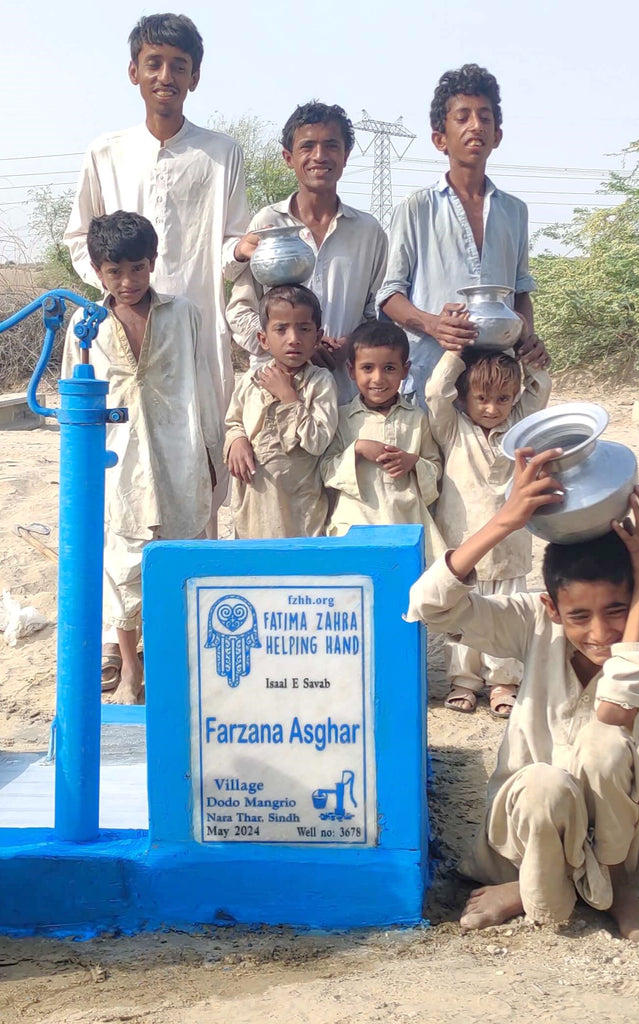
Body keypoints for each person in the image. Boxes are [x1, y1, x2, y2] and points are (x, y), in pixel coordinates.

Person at [407, 449, 639, 937]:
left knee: (604, 746)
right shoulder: (533, 623)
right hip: (526, 823)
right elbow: (429, 606)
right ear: (553, 608)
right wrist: (504, 521)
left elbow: (616, 714)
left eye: (619, 610)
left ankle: (595, 891)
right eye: (580, 616)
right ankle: (533, 881)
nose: (600, 632)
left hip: (614, 845)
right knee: (544, 781)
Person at [63, 13, 250, 543]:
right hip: (121, 335)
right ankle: (123, 610)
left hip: (194, 331)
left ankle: (190, 596)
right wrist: (113, 293)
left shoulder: (222, 153)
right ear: (133, 71)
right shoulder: (105, 152)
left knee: (199, 455)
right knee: (120, 464)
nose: (166, 75)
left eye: (179, 65)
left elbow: (229, 245)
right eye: (154, 63)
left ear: (195, 77)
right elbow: (81, 238)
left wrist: (241, 248)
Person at [63, 211, 218, 705]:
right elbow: (73, 403)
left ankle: (172, 667)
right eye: (115, 271)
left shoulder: (184, 314)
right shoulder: (85, 324)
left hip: (179, 452)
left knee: (180, 559)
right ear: (97, 270)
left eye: (137, 268)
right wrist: (78, 468)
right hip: (116, 462)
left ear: (153, 264)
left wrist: (211, 450)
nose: (127, 281)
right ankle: (131, 669)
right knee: (122, 565)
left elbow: (205, 385)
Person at [378, 63, 548, 408]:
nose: (476, 126)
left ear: (497, 135)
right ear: (440, 139)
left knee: (491, 462)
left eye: (485, 118)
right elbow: (388, 295)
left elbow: (519, 292)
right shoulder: (417, 208)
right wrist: (432, 324)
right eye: (463, 117)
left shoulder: (514, 211)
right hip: (432, 380)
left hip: (494, 388)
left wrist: (526, 335)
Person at [227, 101, 388, 404]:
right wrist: (292, 346)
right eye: (307, 146)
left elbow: (377, 314)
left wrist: (352, 347)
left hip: (344, 397)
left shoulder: (369, 232)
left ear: (346, 155)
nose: (319, 156)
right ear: (289, 157)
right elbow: (240, 309)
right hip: (272, 397)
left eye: (331, 146)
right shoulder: (267, 224)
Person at [425, 348, 551, 717]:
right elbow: (435, 392)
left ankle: (503, 683)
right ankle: (464, 681)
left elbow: (538, 390)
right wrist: (454, 353)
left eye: (503, 399)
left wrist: (528, 357)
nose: (493, 408)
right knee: (463, 612)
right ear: (464, 397)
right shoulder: (453, 430)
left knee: (506, 612)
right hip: (464, 543)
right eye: (482, 398)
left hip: (511, 545)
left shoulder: (521, 428)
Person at [321, 321, 444, 564]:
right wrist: (356, 450)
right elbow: (325, 469)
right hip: (357, 522)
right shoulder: (343, 418)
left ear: (405, 370)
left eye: (389, 368)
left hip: (406, 522)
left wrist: (413, 462)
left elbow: (435, 467)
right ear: (351, 370)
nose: (378, 378)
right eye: (367, 368)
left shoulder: (417, 418)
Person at [224, 285, 338, 539]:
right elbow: (233, 421)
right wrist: (237, 441)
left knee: (299, 571)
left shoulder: (320, 382)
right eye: (281, 329)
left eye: (304, 329)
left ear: (318, 337)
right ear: (263, 339)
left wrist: (289, 398)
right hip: (255, 500)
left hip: (300, 503)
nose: (293, 338)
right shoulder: (251, 380)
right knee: (255, 569)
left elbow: (317, 441)